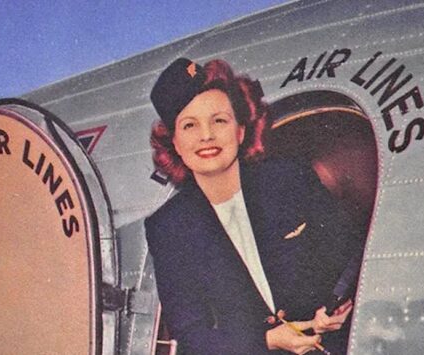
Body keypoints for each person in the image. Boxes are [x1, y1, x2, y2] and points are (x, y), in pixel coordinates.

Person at [145, 58, 363, 354]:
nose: (206, 135)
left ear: (241, 130)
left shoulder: (289, 177)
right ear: (175, 143)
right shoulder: (167, 226)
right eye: (189, 125)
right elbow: (191, 335)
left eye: (219, 120)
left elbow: (351, 254)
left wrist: (337, 307)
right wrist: (266, 340)